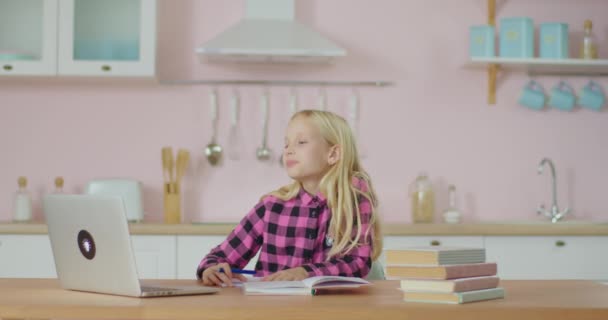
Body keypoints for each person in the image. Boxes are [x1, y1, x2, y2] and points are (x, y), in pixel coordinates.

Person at [197, 109, 382, 287]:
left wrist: (305, 272)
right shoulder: (271, 206)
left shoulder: (352, 199)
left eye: (301, 142)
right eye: (286, 144)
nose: (288, 150)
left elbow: (357, 263)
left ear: (332, 154)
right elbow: (219, 257)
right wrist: (212, 268)